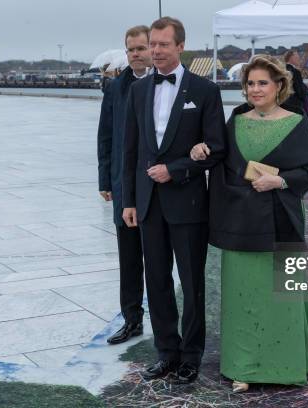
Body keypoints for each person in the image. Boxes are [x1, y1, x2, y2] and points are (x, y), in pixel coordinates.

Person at [190, 54, 308, 392]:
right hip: (241, 220)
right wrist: (201, 150)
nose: (255, 89)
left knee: (280, 294)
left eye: (263, 82)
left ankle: (284, 364)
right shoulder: (235, 120)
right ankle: (243, 366)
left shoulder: (295, 122)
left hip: (282, 218)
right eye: (250, 83)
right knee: (243, 295)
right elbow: (221, 158)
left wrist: (279, 182)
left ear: (280, 85)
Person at [122, 16, 227, 384]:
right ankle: (166, 351)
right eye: (152, 44)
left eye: (163, 44)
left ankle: (191, 355)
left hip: (188, 204)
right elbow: (131, 151)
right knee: (158, 282)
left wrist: (177, 168)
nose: (155, 50)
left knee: (192, 282)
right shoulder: (137, 91)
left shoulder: (205, 91)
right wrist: (129, 201)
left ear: (180, 46)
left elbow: (217, 148)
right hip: (148, 204)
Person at [97, 25, 153, 346]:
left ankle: (165, 319)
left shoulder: (163, 84)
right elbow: (105, 135)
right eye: (131, 49)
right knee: (129, 258)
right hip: (124, 187)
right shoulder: (116, 87)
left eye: (141, 48)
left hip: (157, 186)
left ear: (152, 49)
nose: (136, 54)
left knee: (158, 258)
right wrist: (106, 179)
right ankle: (132, 319)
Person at [283, 50, 308, 114]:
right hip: (295, 107)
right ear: (291, 57)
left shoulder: (281, 70)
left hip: (283, 105)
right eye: (297, 56)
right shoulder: (295, 72)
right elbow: (300, 91)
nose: (299, 58)